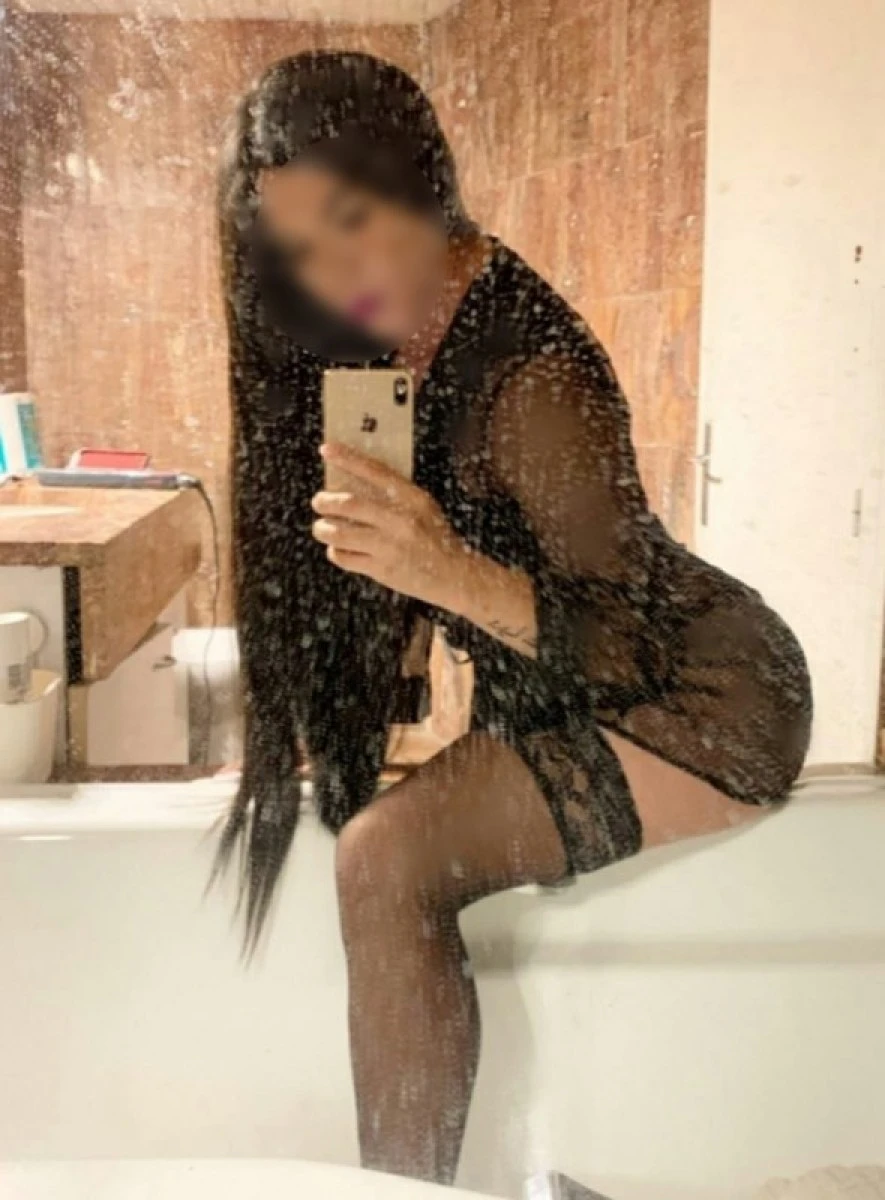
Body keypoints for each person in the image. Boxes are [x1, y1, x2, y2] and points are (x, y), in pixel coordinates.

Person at [215, 51, 813, 1186]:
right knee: (376, 840)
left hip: (711, 699)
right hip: (594, 690)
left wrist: (446, 572)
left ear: (418, 180)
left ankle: (404, 1196)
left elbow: (630, 642)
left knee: (385, 861)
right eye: (300, 250)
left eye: (352, 222)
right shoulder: (390, 334)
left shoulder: (534, 377)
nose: (337, 273)